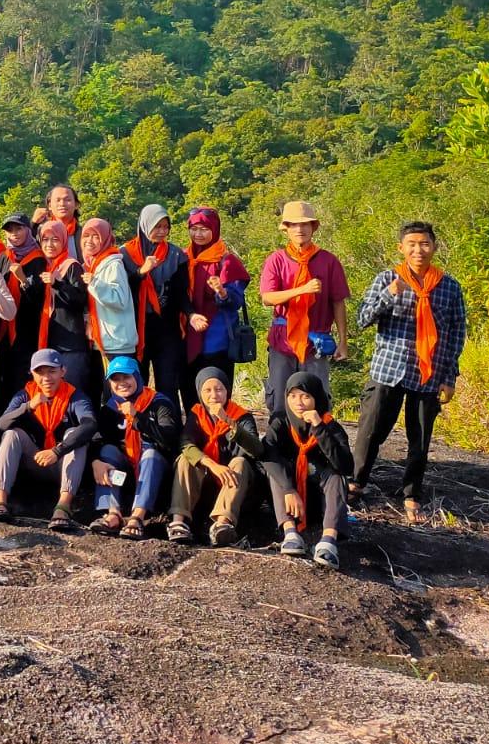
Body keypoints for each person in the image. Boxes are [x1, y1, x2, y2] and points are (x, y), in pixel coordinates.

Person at [351, 221, 468, 523]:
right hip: (388, 369)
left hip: (429, 373)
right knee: (370, 432)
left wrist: (449, 376)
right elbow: (362, 319)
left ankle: (412, 494)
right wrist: (389, 294)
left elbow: (456, 332)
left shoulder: (449, 287)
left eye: (425, 243)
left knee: (420, 440)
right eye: (412, 244)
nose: (419, 250)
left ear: (435, 247)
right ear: (401, 248)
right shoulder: (387, 278)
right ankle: (356, 483)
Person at [258, 202, 350, 418]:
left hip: (315, 341)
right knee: (281, 401)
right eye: (294, 225)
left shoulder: (328, 261)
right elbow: (268, 298)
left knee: (316, 400)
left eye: (305, 224)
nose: (300, 229)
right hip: (283, 339)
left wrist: (343, 342)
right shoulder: (276, 260)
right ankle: (279, 450)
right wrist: (302, 290)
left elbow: (338, 302)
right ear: (286, 229)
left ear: (313, 227)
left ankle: (317, 448)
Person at [0, 349, 96, 531]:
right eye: (40, 372)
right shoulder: (24, 395)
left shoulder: (75, 397)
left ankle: (63, 507)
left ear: (63, 371)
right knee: (11, 434)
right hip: (33, 460)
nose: (46, 378)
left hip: (61, 463)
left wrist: (57, 451)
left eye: (52, 371)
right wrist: (28, 407)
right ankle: (0, 502)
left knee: (74, 433)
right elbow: (1, 424)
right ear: (32, 374)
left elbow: (90, 424)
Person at [262, 371, 352, 569]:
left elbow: (346, 465)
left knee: (335, 476)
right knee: (275, 470)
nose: (298, 402)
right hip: (289, 501)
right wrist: (288, 489)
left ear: (316, 398)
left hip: (319, 502)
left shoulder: (330, 426)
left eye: (306, 396)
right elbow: (266, 454)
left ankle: (328, 541)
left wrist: (319, 428)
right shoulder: (280, 422)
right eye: (292, 396)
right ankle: (290, 532)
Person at [167, 366, 260, 546]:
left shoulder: (242, 416)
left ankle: (222, 525)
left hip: (234, 487)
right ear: (200, 393)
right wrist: (211, 464)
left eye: (219, 389)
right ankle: (179, 521)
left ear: (227, 391)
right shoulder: (197, 414)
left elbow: (257, 449)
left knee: (240, 462)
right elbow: (185, 443)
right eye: (207, 390)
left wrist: (228, 421)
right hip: (206, 481)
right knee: (186, 458)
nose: (214, 395)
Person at [89, 357, 180, 538]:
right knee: (107, 451)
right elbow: (97, 439)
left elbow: (170, 440)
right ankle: (113, 513)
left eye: (126, 377)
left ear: (138, 377)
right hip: (126, 467)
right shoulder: (110, 408)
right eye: (115, 379)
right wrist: (95, 461)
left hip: (156, 468)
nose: (122, 383)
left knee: (151, 454)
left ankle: (137, 517)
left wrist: (137, 417)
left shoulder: (159, 403)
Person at [122, 204, 191, 414]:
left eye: (165, 226)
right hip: (135, 330)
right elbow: (122, 291)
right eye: (156, 226)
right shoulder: (125, 254)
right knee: (136, 386)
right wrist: (141, 272)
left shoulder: (176, 255)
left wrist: (192, 313)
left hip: (167, 331)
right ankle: (138, 433)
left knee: (168, 385)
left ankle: (169, 433)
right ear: (144, 226)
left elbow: (181, 293)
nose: (161, 231)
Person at [10, 219, 88, 394]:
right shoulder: (46, 266)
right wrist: (24, 281)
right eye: (45, 240)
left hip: (71, 345)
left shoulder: (71, 266)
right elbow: (36, 302)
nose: (50, 244)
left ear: (63, 241)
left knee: (72, 394)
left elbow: (80, 301)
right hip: (50, 343)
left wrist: (58, 284)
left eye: (55, 239)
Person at [182, 207, 250, 389]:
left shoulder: (227, 261)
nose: (198, 234)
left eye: (204, 229)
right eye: (194, 229)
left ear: (215, 229)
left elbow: (236, 300)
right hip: (187, 336)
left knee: (217, 392)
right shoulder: (183, 258)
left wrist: (221, 291)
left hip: (217, 339)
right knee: (190, 391)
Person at [80, 218, 139, 386]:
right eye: (86, 236)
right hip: (102, 341)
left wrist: (95, 283)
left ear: (105, 239)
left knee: (121, 393)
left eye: (96, 236)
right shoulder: (92, 264)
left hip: (117, 342)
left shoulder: (113, 264)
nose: (89, 241)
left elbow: (119, 299)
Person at [0, 213, 47, 394]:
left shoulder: (39, 258)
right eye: (9, 230)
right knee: (3, 377)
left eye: (19, 229)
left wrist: (23, 280)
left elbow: (40, 299)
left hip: (27, 329)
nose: (14, 234)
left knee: (22, 380)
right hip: (4, 328)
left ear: (28, 230)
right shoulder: (3, 257)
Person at [32, 183, 79, 260]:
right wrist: (33, 224)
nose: (62, 204)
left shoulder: (83, 235)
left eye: (67, 200)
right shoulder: (40, 232)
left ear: (76, 205)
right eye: (58, 200)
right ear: (49, 205)